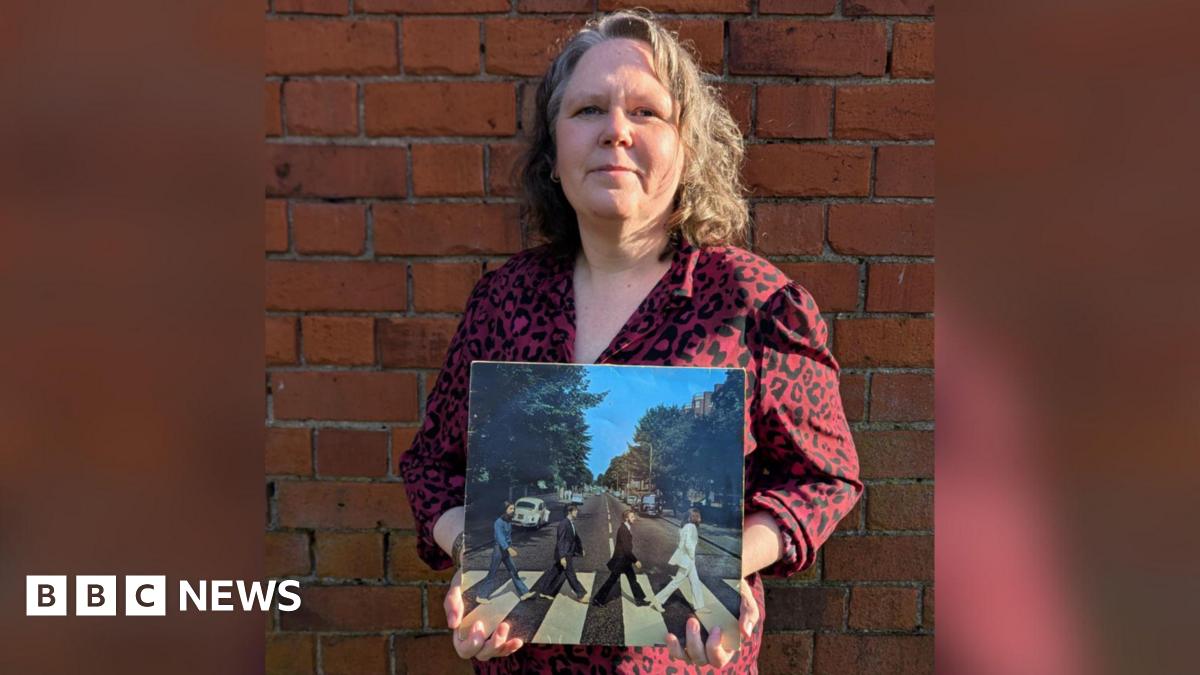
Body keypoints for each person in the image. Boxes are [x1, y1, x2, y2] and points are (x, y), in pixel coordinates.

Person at [397, 9, 863, 673]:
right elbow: (431, 469)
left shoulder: (751, 303)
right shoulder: (504, 301)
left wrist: (726, 563)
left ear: (688, 149)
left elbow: (822, 477)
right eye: (589, 109)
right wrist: (478, 554)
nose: (615, 131)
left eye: (646, 112)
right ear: (554, 151)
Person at [473, 501, 534, 603]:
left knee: (513, 571)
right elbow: (500, 537)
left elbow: (507, 537)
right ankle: (481, 596)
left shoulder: (508, 521)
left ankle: (524, 593)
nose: (513, 510)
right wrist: (508, 548)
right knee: (492, 573)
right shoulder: (498, 522)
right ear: (504, 510)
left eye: (513, 509)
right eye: (511, 509)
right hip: (499, 550)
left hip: (505, 549)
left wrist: (509, 547)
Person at [528, 504, 587, 603]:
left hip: (567, 552)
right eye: (575, 510)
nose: (577, 512)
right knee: (570, 574)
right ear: (569, 512)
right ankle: (580, 594)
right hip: (565, 553)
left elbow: (575, 539)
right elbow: (561, 541)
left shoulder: (570, 523)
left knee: (554, 572)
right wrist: (562, 557)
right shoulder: (563, 524)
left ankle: (545, 591)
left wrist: (580, 550)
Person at [650, 508, 704, 613]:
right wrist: (692, 556)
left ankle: (700, 606)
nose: (699, 518)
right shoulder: (691, 527)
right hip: (688, 560)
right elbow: (688, 544)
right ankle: (658, 600)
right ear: (692, 517)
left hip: (688, 559)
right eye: (697, 516)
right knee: (676, 582)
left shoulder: (685, 526)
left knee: (695, 582)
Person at [592, 509, 649, 607]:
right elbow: (627, 550)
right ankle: (597, 600)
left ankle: (640, 599)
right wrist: (636, 561)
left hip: (625, 561)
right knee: (612, 580)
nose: (634, 518)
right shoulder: (623, 530)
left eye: (634, 516)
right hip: (620, 561)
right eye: (632, 517)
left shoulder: (626, 528)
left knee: (632, 579)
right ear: (626, 518)